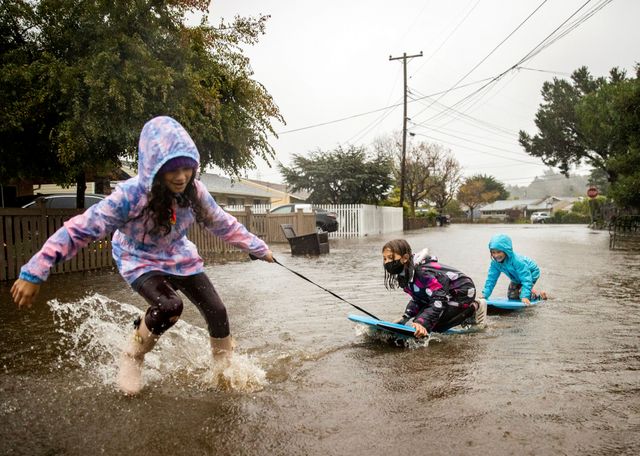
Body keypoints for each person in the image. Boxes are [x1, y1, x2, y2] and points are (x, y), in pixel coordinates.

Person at [10, 116, 274, 395]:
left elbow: (221, 222)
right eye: (172, 170)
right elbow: (80, 229)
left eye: (187, 168)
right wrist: (36, 270)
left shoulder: (194, 191)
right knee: (170, 306)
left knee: (217, 310)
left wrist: (258, 247)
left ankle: (224, 369)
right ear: (154, 169)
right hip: (138, 258)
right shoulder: (131, 196)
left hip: (178, 254)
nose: (181, 176)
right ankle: (133, 355)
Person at [382, 239, 486, 338]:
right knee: (423, 319)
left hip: (462, 292)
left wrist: (421, 323)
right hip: (445, 294)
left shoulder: (422, 273)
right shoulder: (405, 275)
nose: (387, 262)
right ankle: (462, 315)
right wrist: (405, 317)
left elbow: (439, 299)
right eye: (385, 259)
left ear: (405, 258)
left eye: (390, 258)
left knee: (433, 326)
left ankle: (475, 307)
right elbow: (419, 299)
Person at [480, 233, 547, 305]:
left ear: (506, 251)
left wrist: (524, 296)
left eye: (499, 252)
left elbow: (526, 278)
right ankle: (530, 291)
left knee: (523, 293)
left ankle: (540, 297)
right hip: (516, 277)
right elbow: (491, 279)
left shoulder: (517, 261)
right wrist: (485, 294)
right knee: (512, 296)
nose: (496, 255)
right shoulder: (495, 263)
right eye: (493, 252)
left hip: (531, 272)